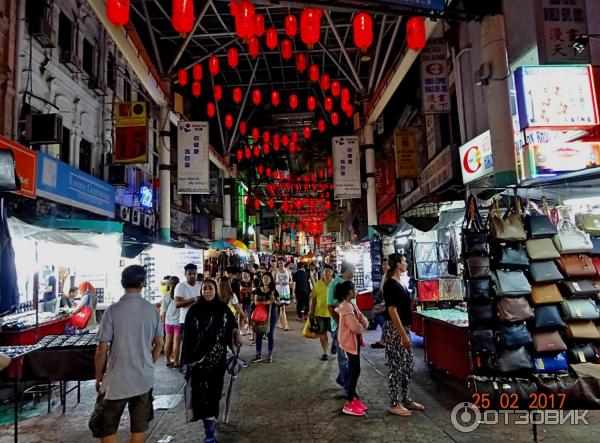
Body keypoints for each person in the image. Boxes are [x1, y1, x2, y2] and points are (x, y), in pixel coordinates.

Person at [89, 265, 163, 443]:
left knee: (105, 427)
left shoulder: (113, 311)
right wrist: (149, 365)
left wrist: (98, 376)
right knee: (139, 428)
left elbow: (101, 350)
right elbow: (159, 344)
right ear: (143, 283)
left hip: (116, 380)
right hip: (143, 379)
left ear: (122, 283)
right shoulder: (152, 310)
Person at [181, 279, 241, 443]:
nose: (207, 291)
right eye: (204, 289)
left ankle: (211, 422)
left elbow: (232, 324)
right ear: (201, 291)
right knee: (202, 396)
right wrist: (186, 360)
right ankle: (208, 433)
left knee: (214, 394)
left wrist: (236, 333)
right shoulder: (194, 311)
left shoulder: (222, 308)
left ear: (215, 290)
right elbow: (187, 338)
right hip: (199, 363)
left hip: (218, 360)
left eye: (210, 288)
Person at [383, 253, 424, 417]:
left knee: (407, 365)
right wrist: (403, 335)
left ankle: (406, 398)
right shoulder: (390, 285)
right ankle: (394, 403)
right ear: (398, 264)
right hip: (395, 330)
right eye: (404, 261)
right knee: (396, 366)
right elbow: (392, 311)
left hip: (404, 328)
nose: (406, 263)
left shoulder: (400, 281)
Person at [334, 280, 369, 416]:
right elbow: (356, 327)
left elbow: (362, 319)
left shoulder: (351, 305)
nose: (356, 292)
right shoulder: (347, 308)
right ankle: (349, 401)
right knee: (355, 370)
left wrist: (362, 323)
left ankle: (352, 398)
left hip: (354, 342)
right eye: (354, 289)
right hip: (350, 343)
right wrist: (361, 325)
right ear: (349, 292)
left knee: (355, 369)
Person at [327, 260, 354, 395]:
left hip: (350, 326)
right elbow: (330, 307)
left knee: (349, 356)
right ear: (347, 270)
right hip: (340, 327)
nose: (354, 272)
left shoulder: (347, 284)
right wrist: (339, 323)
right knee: (343, 357)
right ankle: (348, 387)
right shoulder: (334, 284)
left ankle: (342, 379)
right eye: (353, 269)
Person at [252, 272, 279, 363]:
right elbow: (255, 302)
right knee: (259, 334)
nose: (265, 279)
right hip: (260, 315)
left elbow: (278, 301)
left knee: (270, 334)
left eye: (267, 278)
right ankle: (258, 354)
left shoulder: (273, 291)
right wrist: (267, 302)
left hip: (271, 314)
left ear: (271, 279)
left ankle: (269, 354)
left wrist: (274, 300)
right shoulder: (258, 290)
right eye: (264, 278)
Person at [308, 264, 334, 361]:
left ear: (332, 272)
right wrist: (311, 311)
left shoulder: (336, 284)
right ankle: (325, 352)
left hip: (333, 314)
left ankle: (336, 346)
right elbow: (313, 299)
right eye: (325, 271)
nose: (327, 272)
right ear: (322, 272)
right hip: (320, 314)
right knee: (322, 333)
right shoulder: (318, 285)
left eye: (329, 271)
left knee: (335, 334)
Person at [175, 263, 202, 336]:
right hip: (185, 320)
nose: (192, 276)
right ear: (185, 274)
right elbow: (177, 304)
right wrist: (194, 299)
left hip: (200, 320)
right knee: (187, 345)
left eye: (194, 273)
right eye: (189, 274)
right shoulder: (181, 286)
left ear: (197, 274)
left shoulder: (201, 285)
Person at [161, 276, 181, 368]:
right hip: (178, 322)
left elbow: (164, 311)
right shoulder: (181, 294)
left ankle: (168, 361)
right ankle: (176, 362)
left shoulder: (166, 295)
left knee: (168, 342)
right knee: (176, 342)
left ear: (169, 284)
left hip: (168, 322)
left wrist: (164, 322)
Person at [371, 258, 389, 349]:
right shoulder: (384, 276)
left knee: (377, 315)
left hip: (388, 304)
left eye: (386, 264)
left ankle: (385, 338)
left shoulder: (389, 277)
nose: (385, 266)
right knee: (376, 314)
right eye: (383, 264)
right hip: (384, 302)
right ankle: (383, 339)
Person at [274, 259, 291, 330]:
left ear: (284, 263)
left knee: (282, 309)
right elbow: (272, 281)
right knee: (282, 308)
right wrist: (279, 282)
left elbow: (291, 280)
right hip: (279, 292)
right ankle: (286, 325)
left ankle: (279, 323)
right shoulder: (276, 271)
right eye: (279, 263)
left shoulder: (288, 271)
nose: (281, 264)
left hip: (286, 292)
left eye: (282, 262)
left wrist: (287, 283)